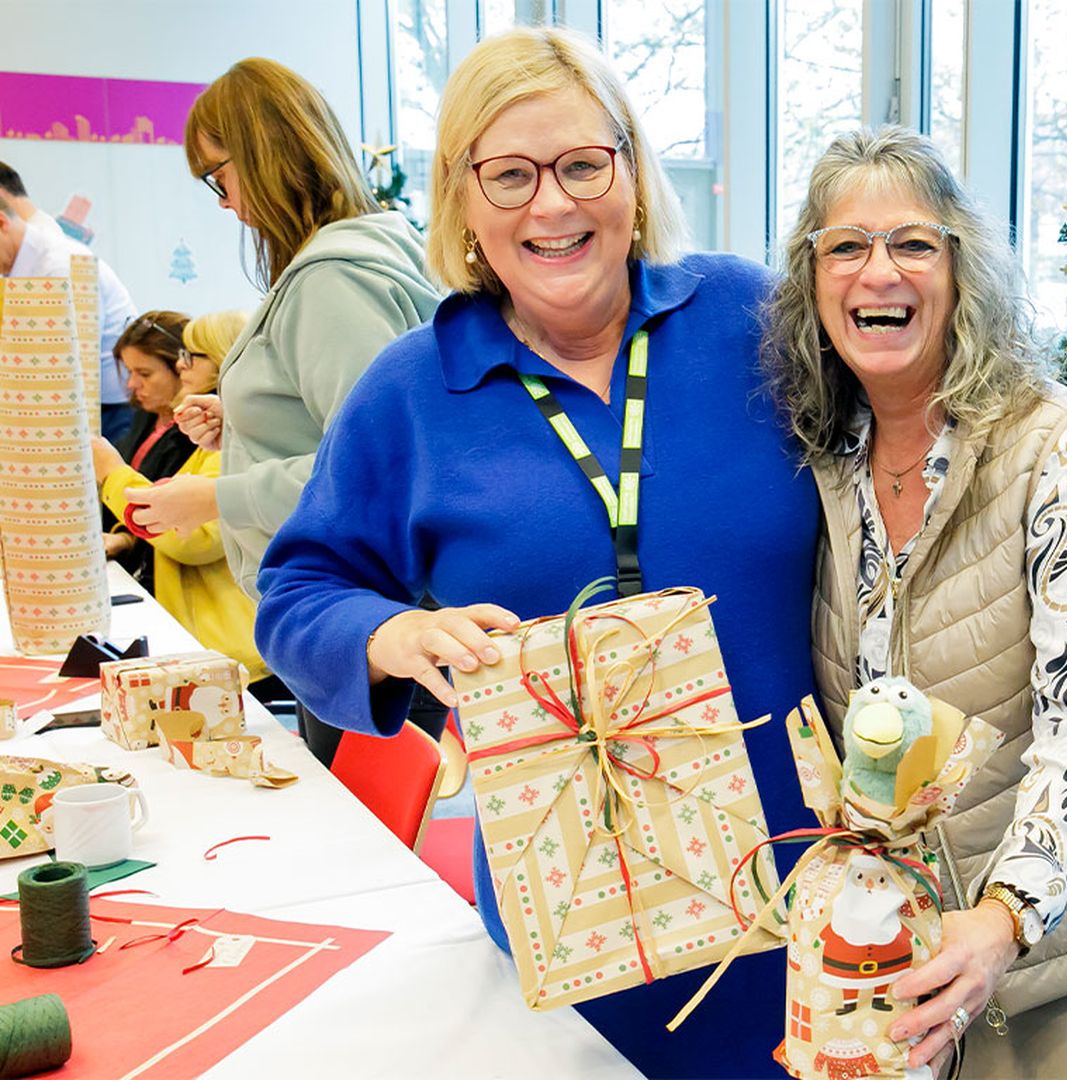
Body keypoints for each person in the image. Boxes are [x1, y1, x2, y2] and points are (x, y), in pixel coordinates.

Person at [253, 27, 818, 1078]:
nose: (551, 206)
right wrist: (392, 632)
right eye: (508, 175)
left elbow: (916, 412)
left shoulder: (752, 320)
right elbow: (295, 590)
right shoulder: (411, 391)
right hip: (576, 910)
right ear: (463, 202)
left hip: (805, 879)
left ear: (634, 175)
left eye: (581, 165)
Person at [766, 127, 1067, 1079]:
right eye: (845, 247)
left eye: (912, 243)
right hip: (923, 907)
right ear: (811, 286)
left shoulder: (1056, 446)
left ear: (962, 268)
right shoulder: (824, 452)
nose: (877, 272)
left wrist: (1002, 918)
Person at [127, 57, 442, 763]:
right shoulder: (341, 263)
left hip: (357, 614)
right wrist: (239, 424)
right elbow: (335, 429)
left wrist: (214, 494)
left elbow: (375, 474)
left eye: (218, 176)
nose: (223, 202)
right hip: (355, 613)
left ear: (264, 158)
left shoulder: (331, 281)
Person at [93, 310, 278, 694]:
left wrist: (111, 473)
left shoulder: (235, 441)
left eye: (193, 355)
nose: (182, 365)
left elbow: (189, 538)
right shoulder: (216, 435)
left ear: (227, 359)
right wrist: (127, 536)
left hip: (222, 647)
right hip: (199, 632)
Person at [0, 174, 138, 442]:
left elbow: (70, 363)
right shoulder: (19, 266)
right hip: (66, 409)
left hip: (108, 411)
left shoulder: (61, 265)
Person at [93, 312, 198, 595]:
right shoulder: (145, 416)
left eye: (144, 374)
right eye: (129, 372)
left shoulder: (199, 437)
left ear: (181, 367)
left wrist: (127, 540)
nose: (131, 385)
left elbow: (178, 522)